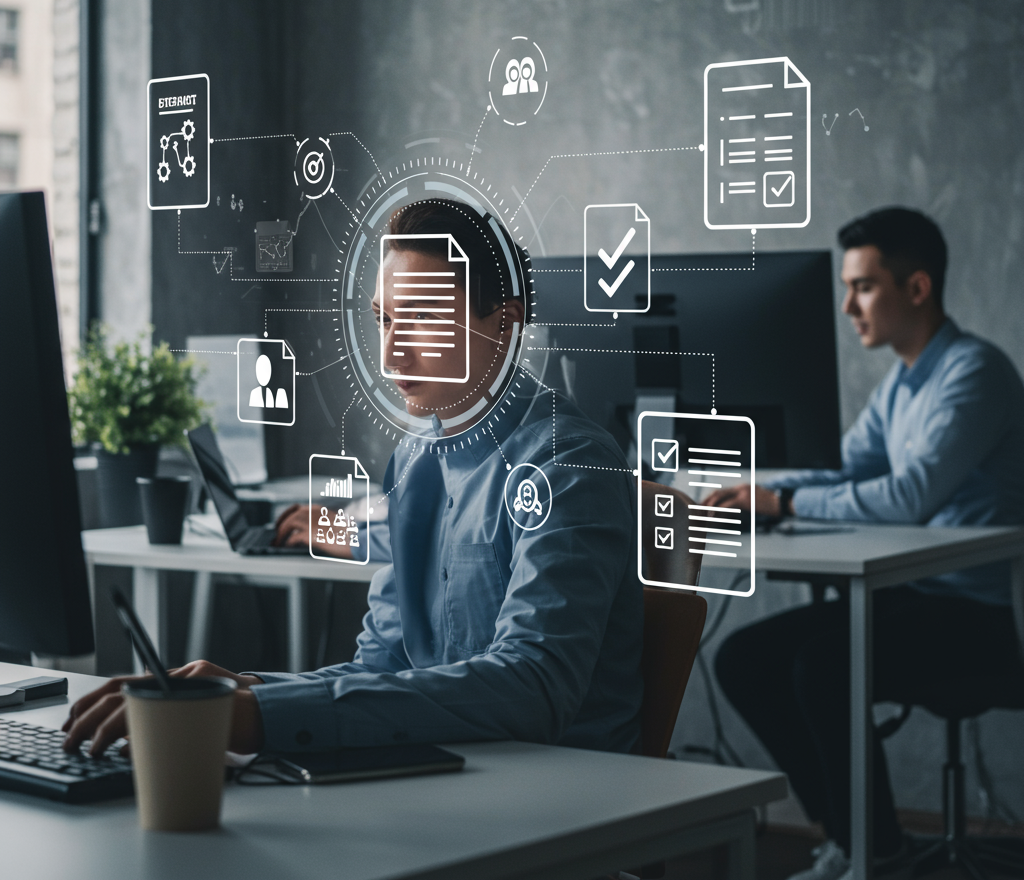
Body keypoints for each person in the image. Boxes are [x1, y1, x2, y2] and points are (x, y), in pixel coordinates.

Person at [63, 197, 643, 759]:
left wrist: (261, 715)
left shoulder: (567, 463)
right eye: (384, 319)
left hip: (562, 798)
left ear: (506, 322)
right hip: (453, 774)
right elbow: (379, 668)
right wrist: (247, 691)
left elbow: (533, 689)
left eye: (421, 315)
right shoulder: (417, 459)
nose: (392, 355)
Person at [708, 207, 1024, 880]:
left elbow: (910, 496)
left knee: (821, 668)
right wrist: (745, 485)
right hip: (916, 600)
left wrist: (782, 501)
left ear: (917, 288)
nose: (848, 306)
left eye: (864, 287)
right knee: (743, 658)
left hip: (981, 619)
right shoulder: (903, 384)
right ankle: (859, 840)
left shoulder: (976, 373)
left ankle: (875, 852)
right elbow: (845, 468)